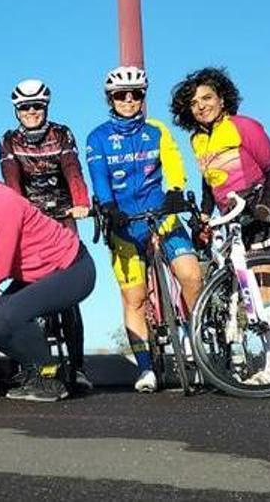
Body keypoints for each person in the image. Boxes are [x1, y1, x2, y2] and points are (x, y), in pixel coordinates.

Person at [0, 141, 96, 402]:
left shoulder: (0, 201)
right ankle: (34, 371)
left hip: (72, 269)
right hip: (37, 274)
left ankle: (49, 378)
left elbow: (0, 267)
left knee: (8, 319)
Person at [86, 66, 202, 393]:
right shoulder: (98, 138)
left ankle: (194, 338)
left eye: (135, 94)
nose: (128, 100)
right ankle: (146, 368)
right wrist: (108, 207)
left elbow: (174, 162)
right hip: (124, 223)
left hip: (161, 214)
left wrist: (176, 190)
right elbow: (99, 177)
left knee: (191, 275)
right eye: (120, 95)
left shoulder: (157, 130)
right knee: (134, 299)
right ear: (110, 99)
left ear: (142, 97)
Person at [170, 67, 270, 384]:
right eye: (194, 103)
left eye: (207, 98)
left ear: (222, 99)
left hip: (262, 215)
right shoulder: (197, 140)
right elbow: (210, 185)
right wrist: (205, 217)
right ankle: (238, 357)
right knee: (244, 297)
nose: (201, 106)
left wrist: (264, 205)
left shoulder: (243, 126)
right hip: (231, 222)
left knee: (264, 293)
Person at [0, 78, 92, 390]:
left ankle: (77, 368)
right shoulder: (9, 140)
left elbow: (72, 169)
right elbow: (11, 182)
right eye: (25, 108)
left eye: (37, 106)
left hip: (63, 213)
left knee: (69, 289)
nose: (32, 112)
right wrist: (18, 215)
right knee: (25, 284)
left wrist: (81, 202)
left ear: (46, 107)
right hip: (30, 215)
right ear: (17, 111)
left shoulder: (61, 133)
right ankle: (23, 365)